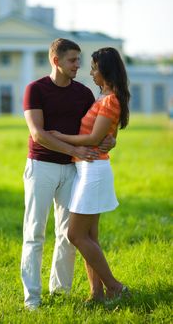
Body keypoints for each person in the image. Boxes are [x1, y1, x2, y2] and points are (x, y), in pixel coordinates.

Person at [21, 38, 116, 310]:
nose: (78, 65)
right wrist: (71, 148)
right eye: (73, 60)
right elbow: (38, 134)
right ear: (56, 61)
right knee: (34, 233)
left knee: (66, 235)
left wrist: (110, 141)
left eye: (79, 59)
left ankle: (59, 293)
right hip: (41, 167)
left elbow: (93, 132)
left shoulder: (84, 94)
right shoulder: (35, 90)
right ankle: (33, 299)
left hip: (74, 169)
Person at [49, 47, 131, 301]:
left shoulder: (110, 100)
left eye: (94, 68)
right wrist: (108, 141)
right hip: (87, 169)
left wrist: (61, 137)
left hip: (93, 171)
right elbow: (108, 137)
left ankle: (116, 287)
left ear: (105, 70)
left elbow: (96, 137)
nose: (91, 73)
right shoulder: (103, 98)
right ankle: (96, 293)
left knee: (74, 234)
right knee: (89, 236)